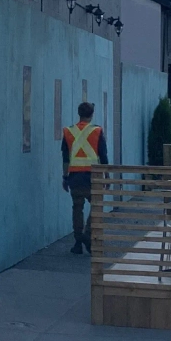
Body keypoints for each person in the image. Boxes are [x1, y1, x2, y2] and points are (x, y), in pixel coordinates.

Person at [60, 100, 109, 255]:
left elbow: (65, 157)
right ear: (91, 115)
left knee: (77, 208)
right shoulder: (97, 131)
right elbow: (103, 155)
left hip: (75, 177)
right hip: (93, 177)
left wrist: (65, 177)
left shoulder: (68, 132)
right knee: (96, 207)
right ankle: (87, 235)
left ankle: (78, 241)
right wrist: (106, 175)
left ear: (79, 114)